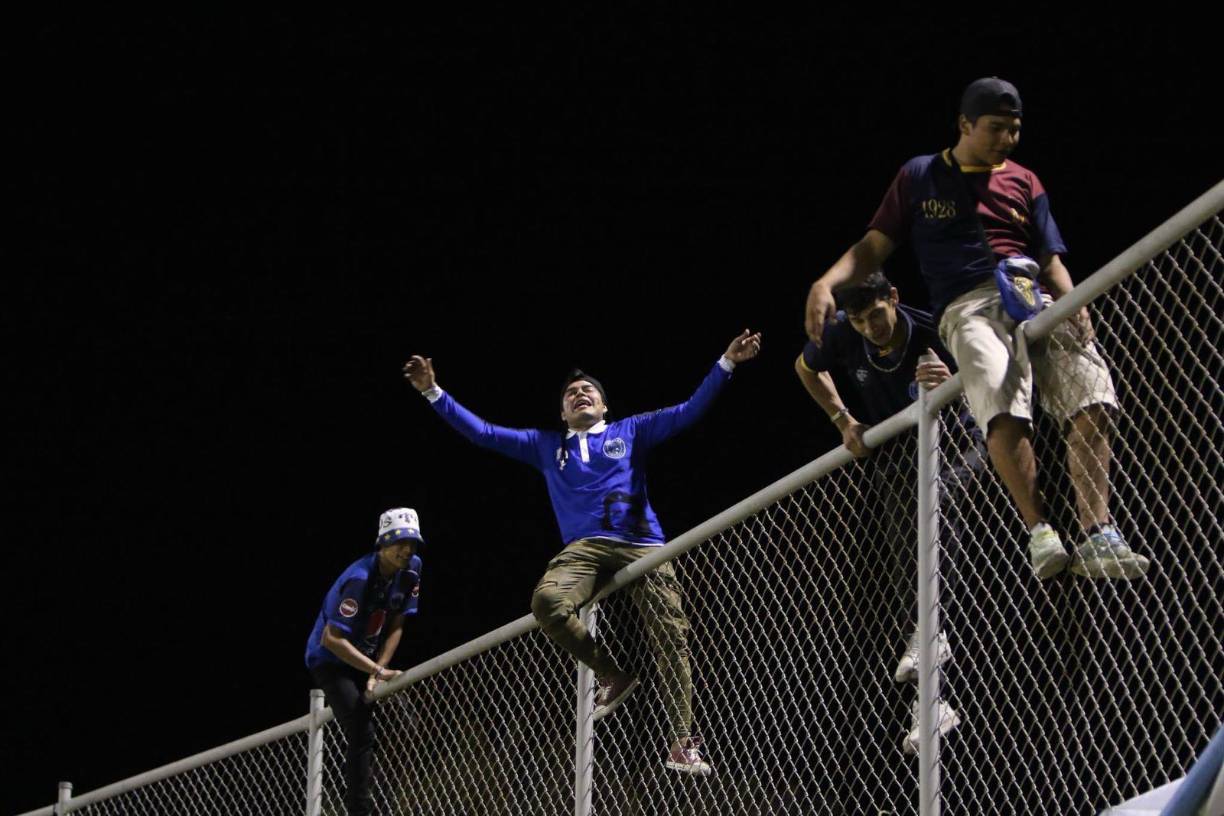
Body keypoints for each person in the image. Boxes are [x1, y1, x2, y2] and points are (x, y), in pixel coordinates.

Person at [804, 77, 1149, 581]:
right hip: (968, 305)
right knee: (998, 392)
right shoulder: (920, 175)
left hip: (1032, 294)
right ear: (964, 124)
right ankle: (1041, 532)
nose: (1006, 139)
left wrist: (1075, 303)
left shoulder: (1026, 180)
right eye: (995, 128)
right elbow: (874, 246)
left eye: (1014, 129)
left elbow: (1050, 256)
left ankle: (1099, 532)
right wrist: (825, 283)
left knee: (1091, 392)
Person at [403, 330, 762, 776]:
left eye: (588, 390)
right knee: (547, 602)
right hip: (584, 550)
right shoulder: (546, 446)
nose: (579, 395)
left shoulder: (632, 430)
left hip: (642, 544)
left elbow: (689, 411)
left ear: (604, 405)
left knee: (671, 636)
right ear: (561, 411)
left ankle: (681, 743)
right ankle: (613, 673)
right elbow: (484, 433)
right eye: (571, 394)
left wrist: (726, 363)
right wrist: (432, 392)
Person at [795, 271, 966, 754]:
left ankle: (930, 636)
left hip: (951, 437)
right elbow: (805, 368)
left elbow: (994, 374)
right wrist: (842, 418)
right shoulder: (844, 334)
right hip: (893, 448)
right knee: (903, 555)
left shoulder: (933, 329)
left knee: (936, 515)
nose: (870, 327)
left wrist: (954, 381)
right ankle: (930, 698)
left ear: (894, 297)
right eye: (859, 320)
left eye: (876, 315)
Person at [305, 508, 424, 816]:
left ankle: (384, 803)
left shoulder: (412, 569)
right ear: (382, 545)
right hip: (329, 660)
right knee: (360, 729)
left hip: (364, 657)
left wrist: (378, 671)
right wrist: (376, 670)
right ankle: (360, 810)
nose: (407, 550)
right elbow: (331, 639)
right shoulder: (358, 579)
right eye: (399, 542)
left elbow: (397, 624)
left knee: (396, 727)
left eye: (412, 543)